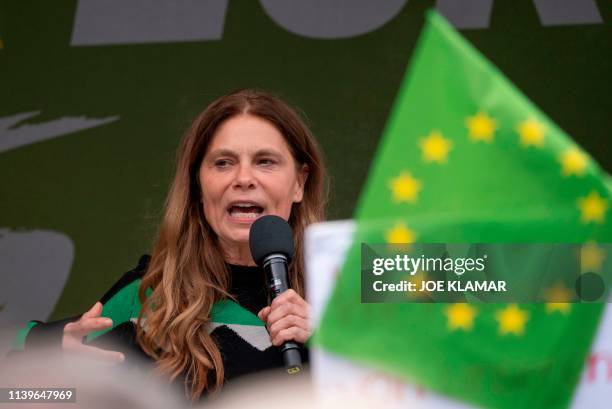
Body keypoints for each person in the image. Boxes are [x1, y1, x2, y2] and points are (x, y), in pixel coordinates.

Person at [12, 89, 329, 401]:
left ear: (300, 182)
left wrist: (330, 342)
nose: (244, 178)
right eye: (223, 163)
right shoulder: (150, 294)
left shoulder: (351, 279)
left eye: (265, 161)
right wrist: (55, 358)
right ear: (197, 185)